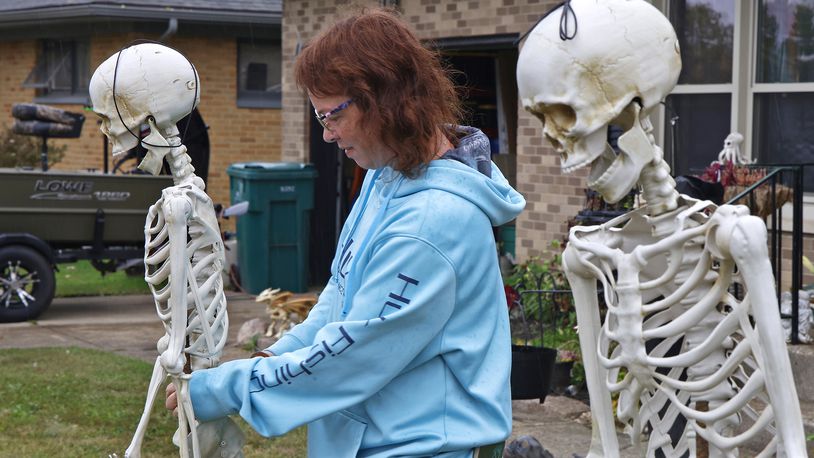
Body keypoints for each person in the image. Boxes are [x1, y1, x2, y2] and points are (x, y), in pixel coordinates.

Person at [166, 7, 525, 457]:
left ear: (384, 99)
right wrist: (275, 356)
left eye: (330, 117)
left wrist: (223, 389)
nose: (328, 135)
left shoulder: (432, 223)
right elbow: (342, 291)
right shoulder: (389, 174)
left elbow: (353, 356)